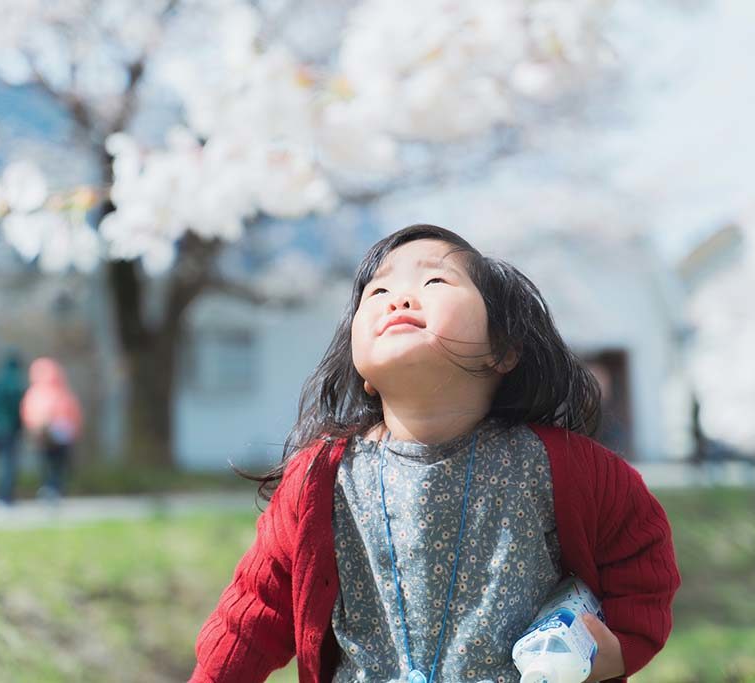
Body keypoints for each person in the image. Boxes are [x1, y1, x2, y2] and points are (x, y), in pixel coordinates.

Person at [191, 225, 681, 683]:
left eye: (435, 279)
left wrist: (612, 651)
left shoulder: (563, 466)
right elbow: (252, 613)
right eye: (377, 293)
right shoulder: (322, 479)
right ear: (362, 370)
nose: (399, 297)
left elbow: (640, 556)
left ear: (503, 350)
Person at [20, 357, 83, 501]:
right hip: (61, 433)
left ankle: (49, 487)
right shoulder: (62, 391)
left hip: (44, 434)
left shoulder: (35, 392)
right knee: (57, 463)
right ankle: (55, 487)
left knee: (47, 462)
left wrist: (32, 427)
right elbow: (74, 412)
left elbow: (27, 412)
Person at [0, 351, 27, 504]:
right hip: (11, 428)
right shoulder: (17, 384)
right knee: (9, 463)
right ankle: (5, 496)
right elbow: (21, 408)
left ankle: (1, 495)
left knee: (2, 462)